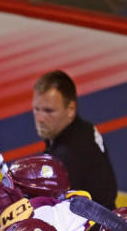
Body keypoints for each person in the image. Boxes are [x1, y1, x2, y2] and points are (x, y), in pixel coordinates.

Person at [31, 71, 117, 209]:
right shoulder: (87, 129)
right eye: (36, 109)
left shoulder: (65, 158)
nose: (40, 118)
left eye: (48, 111)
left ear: (70, 109)